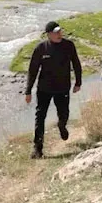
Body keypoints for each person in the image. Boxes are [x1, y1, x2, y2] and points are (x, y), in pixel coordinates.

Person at [26, 21, 82, 159]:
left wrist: (78, 82)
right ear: (48, 34)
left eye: (59, 31)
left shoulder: (69, 45)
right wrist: (28, 91)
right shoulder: (41, 48)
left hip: (63, 88)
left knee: (64, 113)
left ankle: (62, 125)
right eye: (55, 32)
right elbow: (32, 70)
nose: (59, 34)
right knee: (40, 117)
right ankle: (37, 148)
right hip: (44, 89)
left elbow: (76, 63)